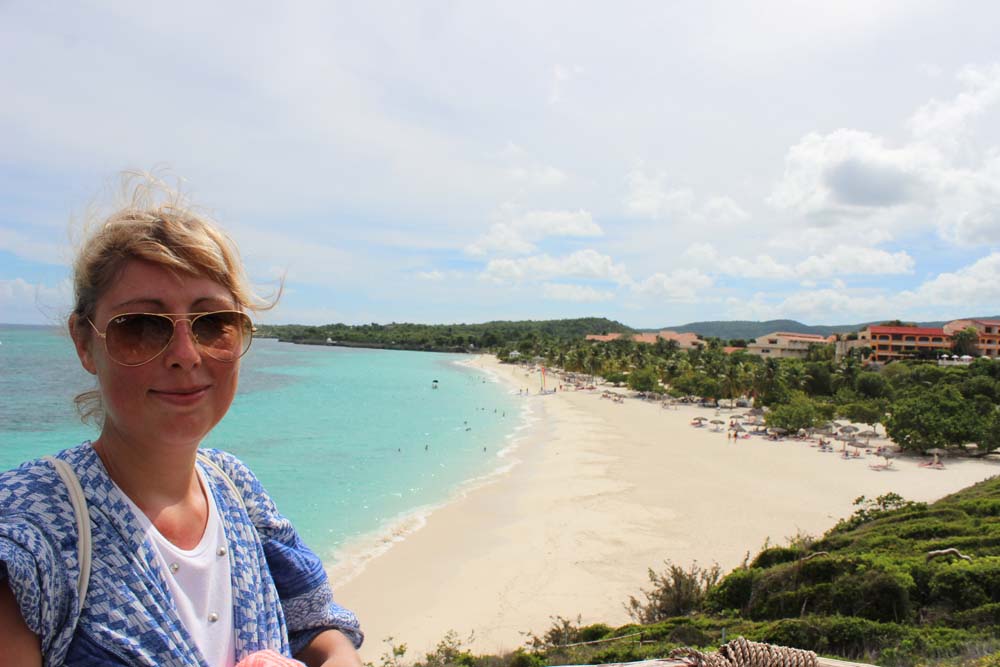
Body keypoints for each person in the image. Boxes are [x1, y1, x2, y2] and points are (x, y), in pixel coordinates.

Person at [0, 175, 363, 667]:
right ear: (84, 342)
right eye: (142, 327)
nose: (186, 355)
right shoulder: (33, 535)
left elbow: (320, 628)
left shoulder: (236, 487)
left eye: (213, 323)